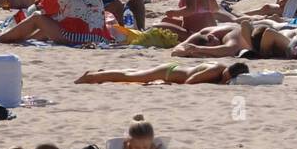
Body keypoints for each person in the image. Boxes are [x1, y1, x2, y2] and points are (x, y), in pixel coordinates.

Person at [77, 60, 249, 85]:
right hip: (168, 72)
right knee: (131, 77)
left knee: (134, 73)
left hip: (172, 69)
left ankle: (101, 73)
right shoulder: (216, 70)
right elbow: (190, 81)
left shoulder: (220, 68)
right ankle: (89, 77)